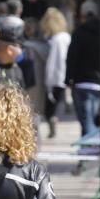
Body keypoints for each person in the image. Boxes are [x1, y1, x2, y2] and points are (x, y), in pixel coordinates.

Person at [67, 0, 100, 138]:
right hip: (98, 82)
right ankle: (87, 153)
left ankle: (87, 155)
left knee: (86, 121)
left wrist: (68, 78)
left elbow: (72, 57)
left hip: (81, 82)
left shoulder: (79, 32)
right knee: (92, 120)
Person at [40, 8, 72, 139]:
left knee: (50, 107)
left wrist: (48, 81)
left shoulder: (55, 40)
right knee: (56, 104)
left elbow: (53, 62)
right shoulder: (66, 37)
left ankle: (52, 121)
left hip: (56, 77)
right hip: (65, 76)